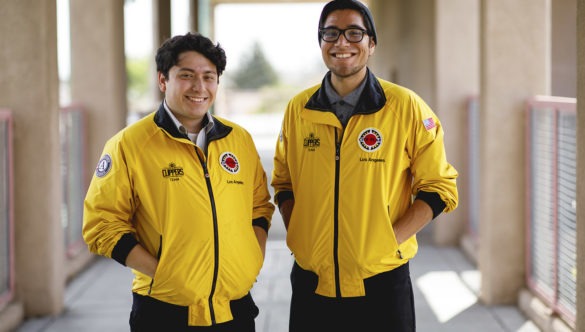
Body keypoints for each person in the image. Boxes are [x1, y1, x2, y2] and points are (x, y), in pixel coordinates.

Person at [271, 0, 459, 331]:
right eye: (331, 33)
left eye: (354, 33)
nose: (341, 42)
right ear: (321, 43)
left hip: (382, 283)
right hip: (312, 283)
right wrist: (301, 233)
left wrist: (388, 240)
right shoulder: (298, 109)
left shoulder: (405, 107)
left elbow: (439, 188)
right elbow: (284, 180)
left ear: (371, 44)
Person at [83, 32, 275, 331]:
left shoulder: (238, 140)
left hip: (235, 308)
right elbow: (101, 224)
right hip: (164, 310)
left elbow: (259, 206)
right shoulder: (130, 145)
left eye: (209, 77)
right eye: (186, 75)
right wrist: (165, 273)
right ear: (163, 80)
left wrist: (252, 259)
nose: (199, 87)